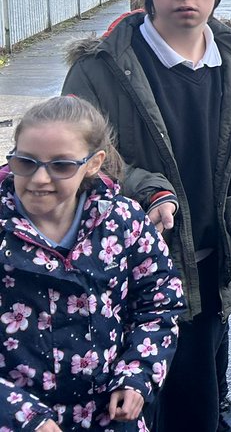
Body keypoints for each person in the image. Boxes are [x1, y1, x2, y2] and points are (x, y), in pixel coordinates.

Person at [62, 0, 231, 432]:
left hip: (214, 257)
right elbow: (73, 156)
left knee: (208, 365)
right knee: (154, 401)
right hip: (139, 270)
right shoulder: (100, 68)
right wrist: (147, 189)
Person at [0, 96, 185, 432]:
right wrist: (20, 414)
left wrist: (137, 375)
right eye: (26, 162)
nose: (40, 179)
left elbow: (160, 305)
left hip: (110, 419)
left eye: (61, 165)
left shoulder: (124, 221)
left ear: (94, 163)